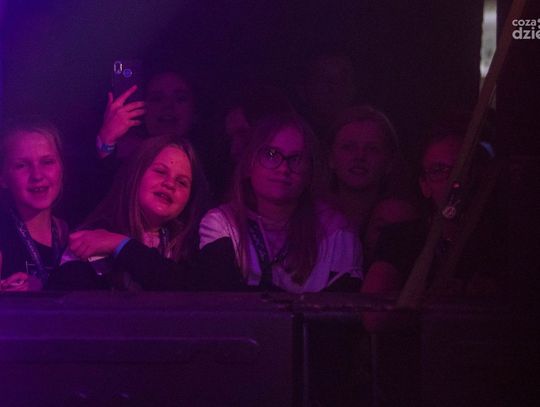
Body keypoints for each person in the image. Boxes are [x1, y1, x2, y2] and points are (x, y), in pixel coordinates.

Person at [198, 113, 362, 293]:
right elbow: (222, 297)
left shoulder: (336, 230)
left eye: (296, 158)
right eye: (271, 154)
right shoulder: (222, 223)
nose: (284, 168)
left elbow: (342, 304)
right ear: (249, 163)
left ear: (310, 171)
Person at [53, 135, 208, 291]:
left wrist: (120, 244)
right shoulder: (92, 237)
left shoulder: (192, 247)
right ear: (136, 174)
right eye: (160, 172)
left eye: (182, 182)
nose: (170, 184)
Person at [326, 105, 418, 262]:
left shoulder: (397, 219)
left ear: (389, 162)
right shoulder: (310, 217)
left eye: (372, 149)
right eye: (349, 147)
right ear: (331, 158)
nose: (359, 156)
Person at [0, 120, 68, 291]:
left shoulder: (72, 232)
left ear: (61, 167)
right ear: (3, 178)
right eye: (21, 165)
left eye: (47, 162)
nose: (37, 175)